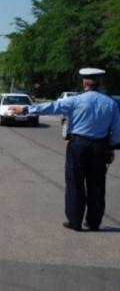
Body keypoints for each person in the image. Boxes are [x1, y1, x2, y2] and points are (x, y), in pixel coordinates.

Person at [8, 68, 120, 232]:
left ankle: (75, 221)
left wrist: (26, 109)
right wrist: (111, 147)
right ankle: (94, 222)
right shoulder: (111, 103)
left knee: (75, 183)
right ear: (99, 82)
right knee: (97, 185)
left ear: (85, 82)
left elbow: (52, 107)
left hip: (78, 145)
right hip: (99, 147)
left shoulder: (75, 101)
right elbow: (117, 131)